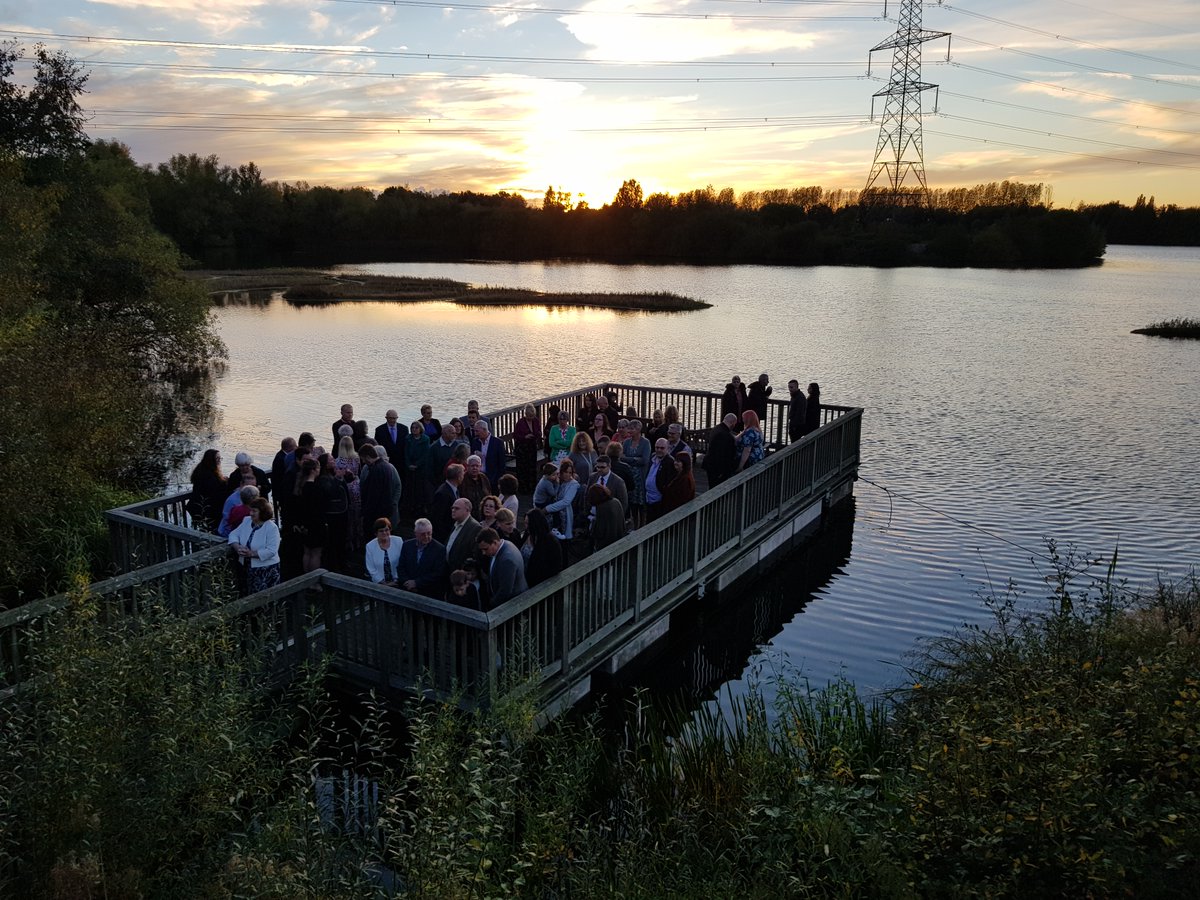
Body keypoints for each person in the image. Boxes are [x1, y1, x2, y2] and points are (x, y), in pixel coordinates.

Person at [227, 498, 281, 595]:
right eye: (250, 510)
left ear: (263, 512)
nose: (251, 513)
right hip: (246, 567)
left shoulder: (271, 527)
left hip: (265, 569)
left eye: (254, 511)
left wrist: (251, 554)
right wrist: (238, 547)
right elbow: (233, 534)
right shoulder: (247, 521)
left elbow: (272, 550)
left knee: (264, 598)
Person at [396, 518, 448, 598]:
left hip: (428, 593)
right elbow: (401, 567)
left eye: (429, 533)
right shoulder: (407, 545)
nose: (427, 537)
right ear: (416, 534)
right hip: (407, 592)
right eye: (423, 534)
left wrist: (416, 583)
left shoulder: (439, 549)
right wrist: (407, 582)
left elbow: (438, 573)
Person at [476, 527, 527, 607]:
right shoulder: (503, 546)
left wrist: (491, 605)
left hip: (512, 607)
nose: (483, 553)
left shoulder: (507, 560)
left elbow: (505, 591)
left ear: (495, 542)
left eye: (485, 549)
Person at [358, 444, 401, 537]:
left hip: (375, 514)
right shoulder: (387, 466)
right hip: (385, 511)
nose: (363, 461)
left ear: (368, 457)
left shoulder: (375, 470)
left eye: (363, 459)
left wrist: (365, 513)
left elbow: (373, 495)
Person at [293, 457, 326, 573]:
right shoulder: (316, 488)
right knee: (316, 553)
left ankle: (306, 578)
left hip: (305, 524)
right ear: (313, 470)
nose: (319, 470)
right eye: (318, 468)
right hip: (316, 524)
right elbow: (319, 508)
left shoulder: (301, 487)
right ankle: (314, 581)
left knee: (307, 552)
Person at [333, 435, 363, 554]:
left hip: (345, 487)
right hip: (356, 485)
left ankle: (349, 541)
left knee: (348, 515)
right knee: (358, 514)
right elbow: (358, 472)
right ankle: (358, 539)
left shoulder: (338, 461)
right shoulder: (356, 458)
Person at [521, 508, 564, 588]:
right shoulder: (527, 535)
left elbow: (556, 567)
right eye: (525, 523)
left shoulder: (550, 542)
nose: (526, 527)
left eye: (528, 524)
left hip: (539, 585)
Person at [189, 448, 227, 533]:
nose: (219, 460)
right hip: (209, 509)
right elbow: (215, 493)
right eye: (217, 458)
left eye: (220, 458)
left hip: (203, 507)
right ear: (211, 460)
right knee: (212, 529)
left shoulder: (202, 470)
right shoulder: (209, 476)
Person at [622, 420, 652, 525]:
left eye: (632, 429)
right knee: (632, 503)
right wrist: (635, 459)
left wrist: (629, 459)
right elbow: (621, 457)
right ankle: (634, 525)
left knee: (641, 504)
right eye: (629, 428)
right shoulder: (626, 442)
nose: (629, 431)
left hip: (640, 477)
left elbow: (645, 460)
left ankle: (642, 525)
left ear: (638, 430)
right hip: (630, 477)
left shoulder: (645, 442)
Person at [544, 458, 581, 539]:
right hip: (552, 515)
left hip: (564, 515)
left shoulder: (574, 484)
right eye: (565, 472)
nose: (567, 475)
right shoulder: (557, 480)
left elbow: (566, 502)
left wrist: (547, 509)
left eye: (570, 472)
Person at [445, 497, 484, 573]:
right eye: (452, 508)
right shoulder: (456, 524)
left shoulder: (475, 528)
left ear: (467, 510)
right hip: (450, 572)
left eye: (457, 508)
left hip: (463, 574)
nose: (453, 510)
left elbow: (475, 555)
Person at [702, 413, 739, 487]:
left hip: (709, 463)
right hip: (718, 468)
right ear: (732, 423)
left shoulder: (716, 428)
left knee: (711, 486)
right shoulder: (726, 436)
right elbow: (726, 455)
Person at [404, 420, 432, 515]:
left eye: (416, 428)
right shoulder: (408, 438)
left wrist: (417, 465)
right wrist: (409, 464)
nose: (414, 430)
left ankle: (420, 507)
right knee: (410, 488)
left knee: (420, 488)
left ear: (420, 429)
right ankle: (410, 507)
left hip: (421, 468)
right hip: (410, 467)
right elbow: (406, 453)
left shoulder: (425, 439)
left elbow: (425, 454)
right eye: (412, 428)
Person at [431, 463, 464, 544]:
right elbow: (437, 519)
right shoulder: (443, 493)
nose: (463, 477)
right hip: (444, 537)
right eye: (462, 474)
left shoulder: (454, 490)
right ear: (458, 476)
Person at [512, 404, 542, 493]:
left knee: (532, 467)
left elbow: (539, 432)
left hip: (532, 447)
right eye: (529, 416)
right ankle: (523, 488)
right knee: (523, 468)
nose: (530, 418)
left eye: (532, 416)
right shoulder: (520, 422)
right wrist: (525, 437)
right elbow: (516, 435)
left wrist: (537, 435)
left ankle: (532, 487)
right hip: (522, 448)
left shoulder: (536, 421)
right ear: (525, 414)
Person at [364, 517, 401, 586]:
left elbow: (402, 563)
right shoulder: (370, 546)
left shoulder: (398, 541)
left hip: (398, 582)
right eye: (381, 531)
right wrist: (383, 583)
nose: (384, 533)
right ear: (376, 533)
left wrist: (396, 580)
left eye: (386, 530)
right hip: (379, 584)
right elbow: (371, 569)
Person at [588, 483, 626, 552]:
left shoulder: (601, 508)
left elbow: (599, 531)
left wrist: (593, 522)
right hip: (619, 539)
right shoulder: (616, 501)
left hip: (605, 545)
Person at [644, 438, 673, 522]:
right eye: (657, 447)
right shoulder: (653, 457)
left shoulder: (670, 462)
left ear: (668, 449)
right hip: (649, 498)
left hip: (659, 501)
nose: (659, 450)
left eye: (662, 448)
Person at [473, 420, 506, 488]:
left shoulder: (498, 443)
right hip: (478, 477)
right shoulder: (475, 442)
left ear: (484, 430)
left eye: (477, 431)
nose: (475, 434)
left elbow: (502, 463)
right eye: (475, 431)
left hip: (493, 478)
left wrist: (498, 480)